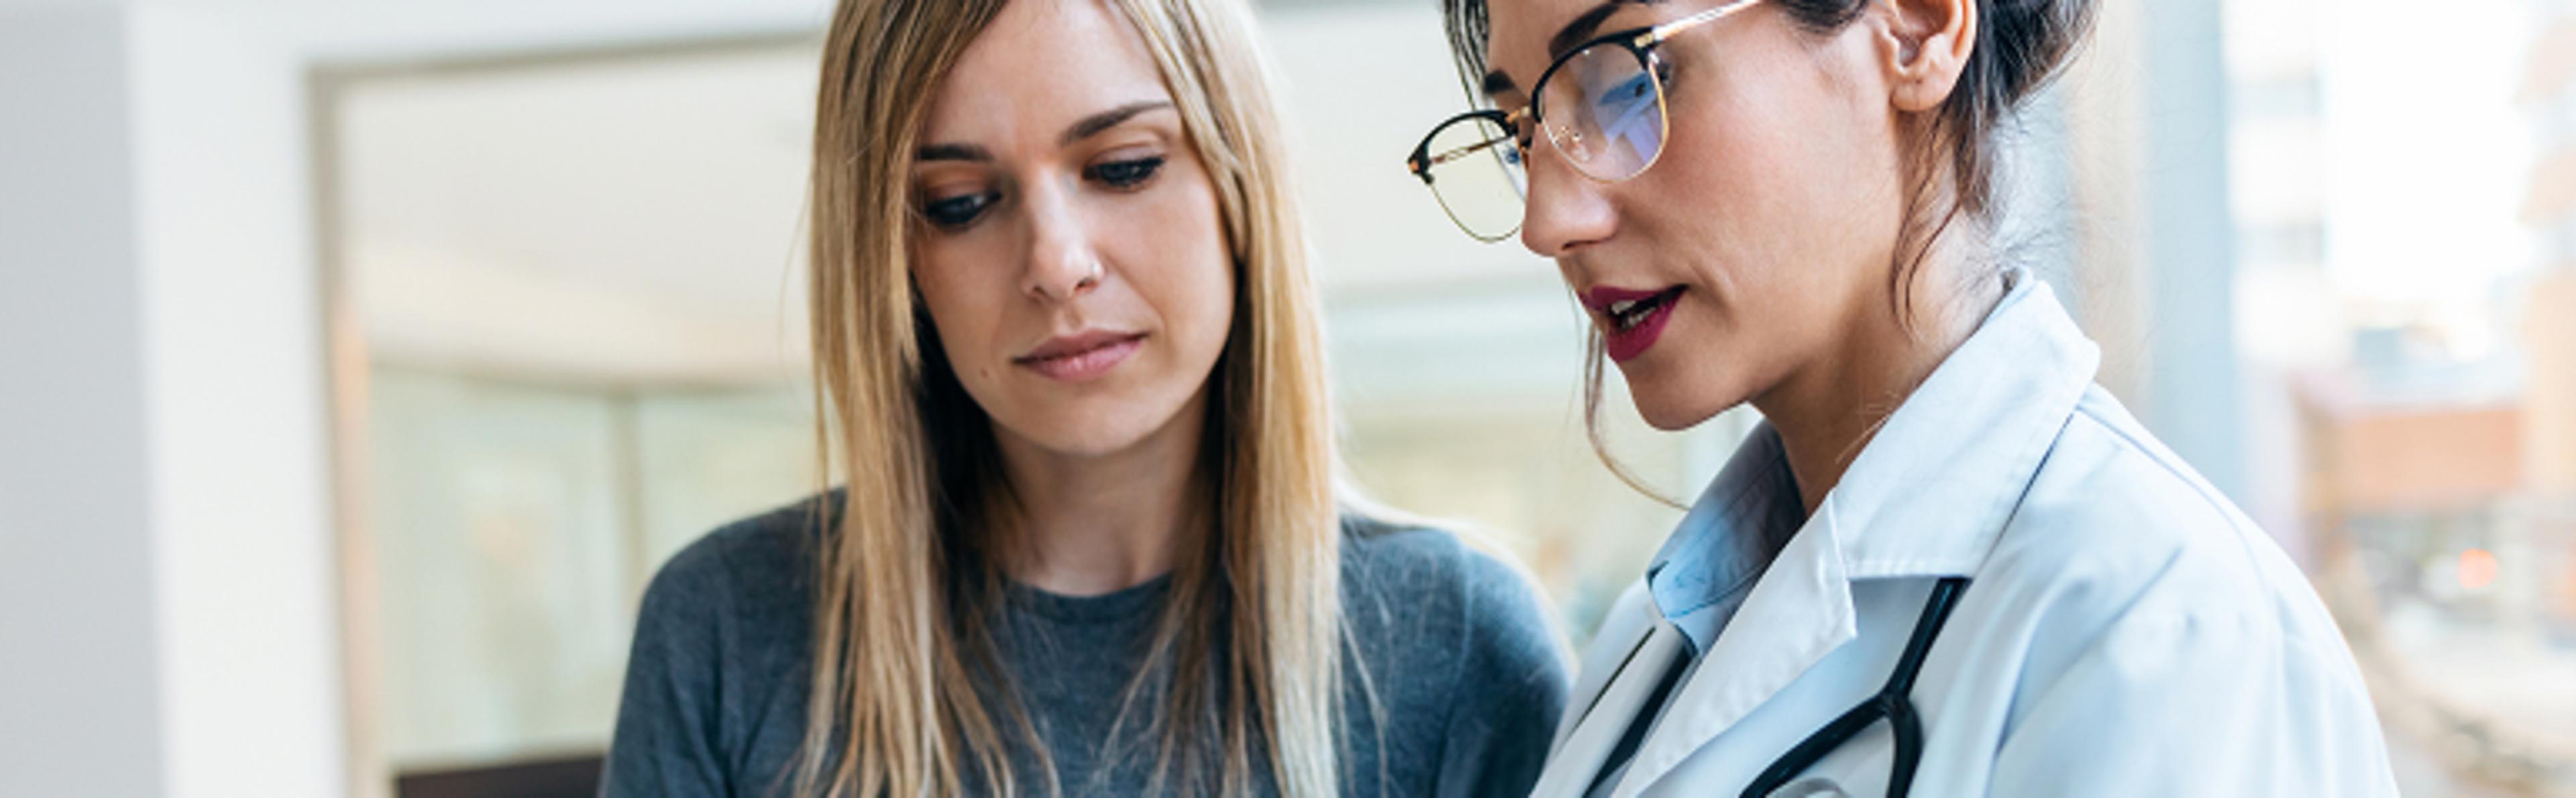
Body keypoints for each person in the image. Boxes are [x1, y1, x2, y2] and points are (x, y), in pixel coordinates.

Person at [1403, 0, 2400, 794]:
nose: (1548, 217)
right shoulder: (1646, 645)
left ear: (1917, 26)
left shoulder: (2166, 629)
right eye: (1520, 127)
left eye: (1628, 81)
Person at [601, 0, 1570, 795]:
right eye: (959, 203)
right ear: (896, 260)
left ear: (1241, 186)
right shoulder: (729, 629)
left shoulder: (1457, 644)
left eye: (1123, 168)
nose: (1056, 265)